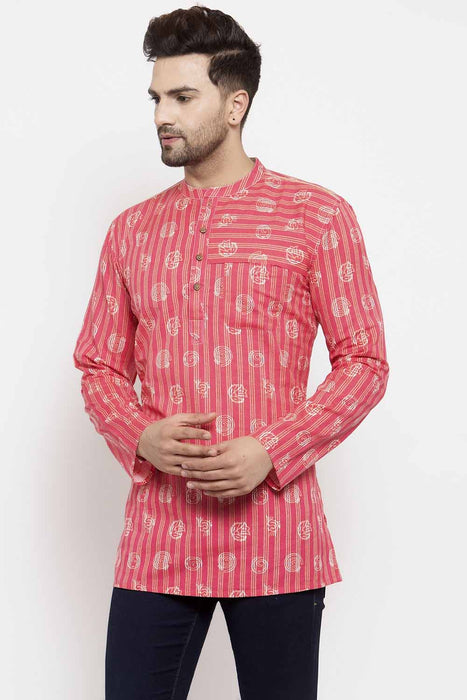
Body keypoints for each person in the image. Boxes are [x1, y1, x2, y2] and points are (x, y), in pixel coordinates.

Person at [72, 5, 390, 699]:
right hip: (159, 536)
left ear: (235, 104)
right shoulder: (131, 231)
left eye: (183, 97)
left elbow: (364, 362)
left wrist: (272, 449)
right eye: (156, 98)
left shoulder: (317, 217)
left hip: (276, 536)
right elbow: (98, 366)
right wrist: (139, 434)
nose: (163, 115)